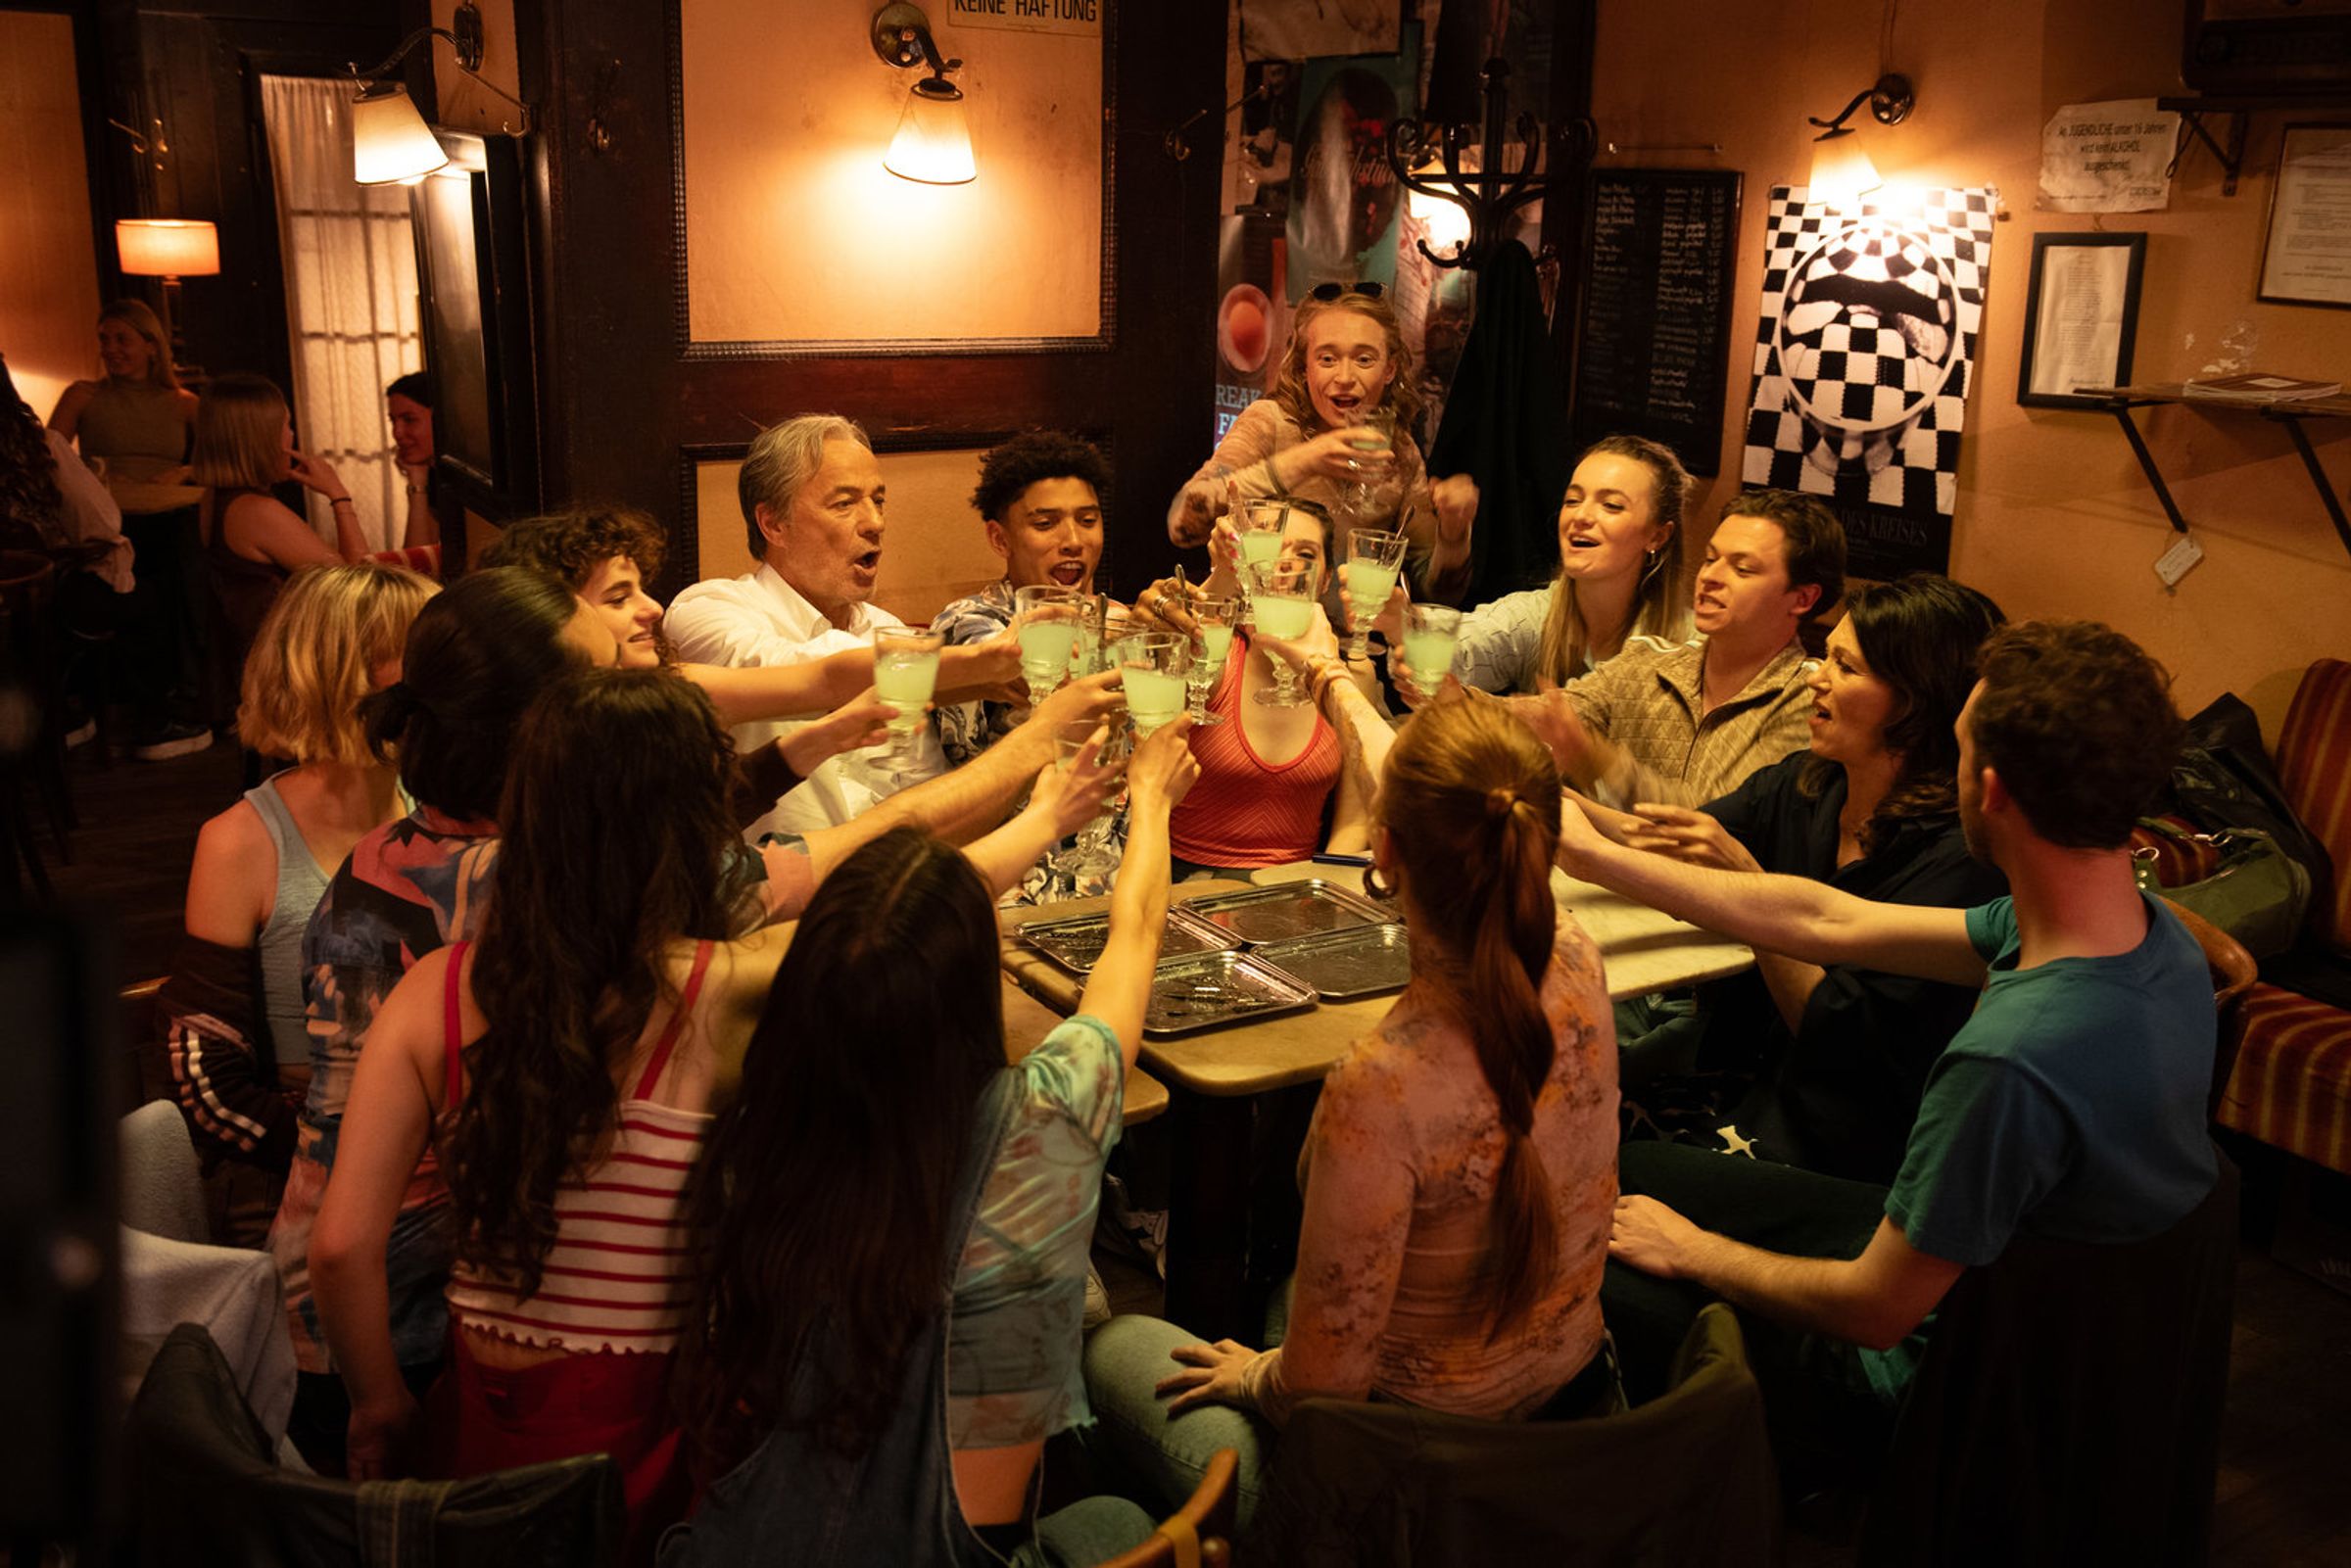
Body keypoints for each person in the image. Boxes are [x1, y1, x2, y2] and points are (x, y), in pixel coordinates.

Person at [307, 670, 1122, 1559]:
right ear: (694, 828)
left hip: (476, 1425)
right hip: (643, 1443)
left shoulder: (434, 993)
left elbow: (340, 1245)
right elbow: (896, 921)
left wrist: (380, 1403)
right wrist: (1047, 818)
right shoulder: (713, 993)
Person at [1561, 620, 2217, 1482]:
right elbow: (1827, 919)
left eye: (1958, 750)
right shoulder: (2144, 932)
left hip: (1933, 1368)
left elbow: (1874, 1310)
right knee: (1633, 1168)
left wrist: (1692, 1249)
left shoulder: (2011, 1058)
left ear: (1991, 790)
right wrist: (1590, 852)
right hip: (2009, 1289)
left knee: (1575, 1262)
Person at [663, 720, 1201, 1568]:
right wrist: (1153, 799)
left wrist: (1047, 814)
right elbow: (1134, 934)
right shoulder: (1044, 1119)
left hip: (740, 1544)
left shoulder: (757, 1129)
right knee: (1115, 1518)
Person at [1083, 693, 1620, 1529]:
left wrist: (1255, 1374)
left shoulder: (1381, 1088)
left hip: (1418, 1494)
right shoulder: (1580, 955)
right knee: (1290, 1292)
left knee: (1116, 1347)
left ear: (1384, 851)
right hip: (1586, 1425)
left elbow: (1317, 1394)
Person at [268, 567, 619, 1474]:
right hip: (385, 1327)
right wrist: (380, 1400)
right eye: (607, 684)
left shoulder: (393, 847)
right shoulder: (515, 885)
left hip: (323, 1309)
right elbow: (347, 1241)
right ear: (540, 731)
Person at [1580, 574, 2010, 1182]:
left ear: (1915, 701)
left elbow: (1832, 1038)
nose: (1816, 678)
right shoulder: (1811, 782)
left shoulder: (1960, 862)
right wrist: (1548, 800)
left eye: (1845, 666)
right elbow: (1665, 845)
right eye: (1824, 656)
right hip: (1743, 1071)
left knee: (1597, 1154)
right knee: (1564, 1094)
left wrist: (1746, 883)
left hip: (1832, 1137)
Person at [161, 563, 437, 1246]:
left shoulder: (442, 809)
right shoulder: (240, 841)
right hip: (303, 1163)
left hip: (437, 1148)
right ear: (345, 673)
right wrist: (360, 1152)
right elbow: (209, 1082)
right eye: (426, 650)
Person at [665, 413, 1024, 839]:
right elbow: (813, 674)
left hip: (886, 870)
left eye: (879, 500)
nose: (875, 522)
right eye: (844, 504)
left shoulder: (888, 631)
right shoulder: (707, 610)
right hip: (776, 877)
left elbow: (920, 787)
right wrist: (979, 664)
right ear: (774, 524)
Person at [1503, 488, 1845, 809]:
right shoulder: (1647, 661)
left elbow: (1720, 818)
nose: (1710, 577)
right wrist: (1484, 708)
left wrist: (1595, 761)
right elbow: (1553, 716)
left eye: (1742, 569)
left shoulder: (1811, 700)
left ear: (1802, 598)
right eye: (1710, 559)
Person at [1167, 286, 1477, 603]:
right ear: (1305, 368)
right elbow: (1182, 525)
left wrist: (1454, 534)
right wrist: (1304, 461)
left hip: (1349, 635)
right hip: (1261, 628)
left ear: (1389, 369)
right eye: (1327, 359)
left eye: (1364, 359)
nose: (1344, 377)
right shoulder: (1269, 422)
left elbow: (1439, 593)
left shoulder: (1401, 453)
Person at [1167, 501, 1367, 873]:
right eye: (1273, 550)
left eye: (1305, 554)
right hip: (1186, 881)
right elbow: (1188, 642)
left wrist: (1315, 888)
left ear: (1325, 580)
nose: (1287, 563)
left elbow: (1355, 821)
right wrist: (1225, 570)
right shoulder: (1220, 654)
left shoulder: (1350, 677)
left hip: (1297, 886)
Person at [1415, 435, 1695, 693]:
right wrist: (1406, 626)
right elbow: (1460, 649)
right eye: (1573, 500)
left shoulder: (1691, 646)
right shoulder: (1536, 615)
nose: (1581, 516)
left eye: (1611, 505)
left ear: (1657, 536)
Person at [930, 431, 1111, 765]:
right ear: (1000, 539)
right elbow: (1011, 666)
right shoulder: (967, 620)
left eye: (1087, 521)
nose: (1073, 540)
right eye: (1045, 523)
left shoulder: (1113, 616)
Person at [189, 373, 371, 695]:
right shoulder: (256, 512)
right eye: (286, 425)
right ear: (262, 438)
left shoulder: (214, 497)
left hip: (245, 664)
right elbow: (358, 581)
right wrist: (338, 494)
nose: (292, 435)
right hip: (277, 674)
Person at [0, 352, 142, 745]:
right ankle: (151, 717)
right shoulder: (39, 448)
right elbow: (101, 521)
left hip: (17, 605)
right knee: (142, 593)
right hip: (41, 599)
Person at [46, 299, 197, 481]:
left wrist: (181, 474)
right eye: (104, 340)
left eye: (122, 340)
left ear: (151, 347)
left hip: (168, 497)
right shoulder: (81, 395)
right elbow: (47, 461)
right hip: (104, 496)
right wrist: (96, 476)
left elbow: (216, 466)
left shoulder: (185, 403)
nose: (110, 349)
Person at [385, 371, 438, 550]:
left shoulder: (466, 476)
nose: (397, 433)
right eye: (393, 421)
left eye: (409, 420)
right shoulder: (432, 475)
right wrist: (417, 480)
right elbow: (418, 558)